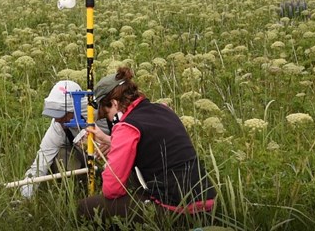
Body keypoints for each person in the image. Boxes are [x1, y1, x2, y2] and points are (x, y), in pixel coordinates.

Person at [78, 66, 216, 224]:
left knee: (86, 207)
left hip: (177, 211)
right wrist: (111, 141)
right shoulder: (164, 110)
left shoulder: (126, 127)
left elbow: (112, 189)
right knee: (133, 176)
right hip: (207, 203)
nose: (108, 120)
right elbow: (155, 147)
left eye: (106, 114)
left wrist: (114, 150)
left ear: (114, 103)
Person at [20, 80, 110, 198]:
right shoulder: (58, 126)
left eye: (61, 115)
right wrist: (26, 195)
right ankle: (76, 191)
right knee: (62, 155)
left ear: (76, 108)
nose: (57, 120)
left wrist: (112, 142)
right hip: (83, 160)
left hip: (113, 161)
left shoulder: (104, 114)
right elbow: (42, 160)